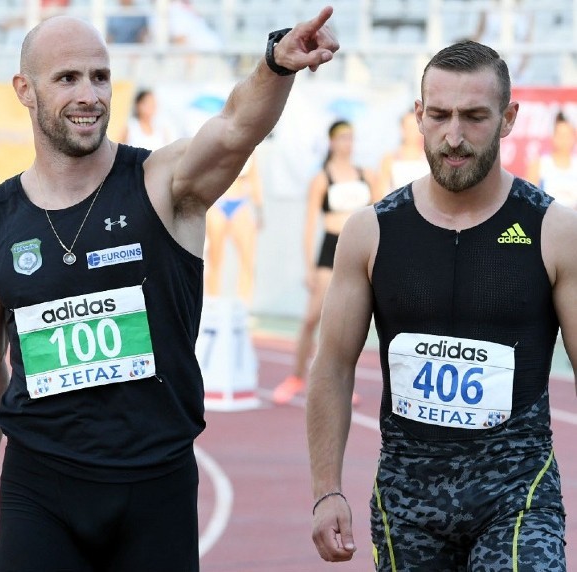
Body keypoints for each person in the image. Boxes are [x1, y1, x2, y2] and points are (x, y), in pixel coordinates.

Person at [0, 10, 338, 572]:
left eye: (100, 77)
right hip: (39, 492)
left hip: (156, 488)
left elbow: (235, 127)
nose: (89, 95)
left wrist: (275, 64)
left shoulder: (163, 184)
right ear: (24, 90)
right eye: (67, 78)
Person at [307, 40, 577, 570]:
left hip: (518, 496)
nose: (454, 136)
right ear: (418, 115)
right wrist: (326, 491)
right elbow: (333, 366)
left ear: (508, 119)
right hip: (407, 506)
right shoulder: (370, 232)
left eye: (474, 116)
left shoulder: (555, 231)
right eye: (439, 115)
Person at [272, 120, 377, 405]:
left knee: (347, 323)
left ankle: (342, 383)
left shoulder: (366, 175)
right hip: (330, 248)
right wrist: (309, 267)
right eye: (342, 137)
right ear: (331, 142)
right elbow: (309, 225)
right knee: (311, 318)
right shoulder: (322, 178)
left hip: (357, 248)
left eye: (351, 137)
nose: (347, 143)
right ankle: (296, 376)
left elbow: (380, 214)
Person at [204, 153, 264, 309]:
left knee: (247, 259)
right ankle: (212, 306)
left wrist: (259, 208)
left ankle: (243, 308)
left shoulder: (249, 148)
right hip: (218, 202)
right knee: (215, 259)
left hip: (240, 200)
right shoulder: (217, 144)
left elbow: (254, 176)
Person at [526, 111, 577, 209]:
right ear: (553, 137)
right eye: (561, 135)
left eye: (568, 135)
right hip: (547, 215)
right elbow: (530, 199)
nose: (564, 140)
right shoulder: (539, 164)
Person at [377, 109, 430, 197]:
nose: (412, 131)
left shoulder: (430, 158)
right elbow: (380, 194)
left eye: (415, 127)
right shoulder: (390, 159)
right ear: (402, 129)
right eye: (408, 127)